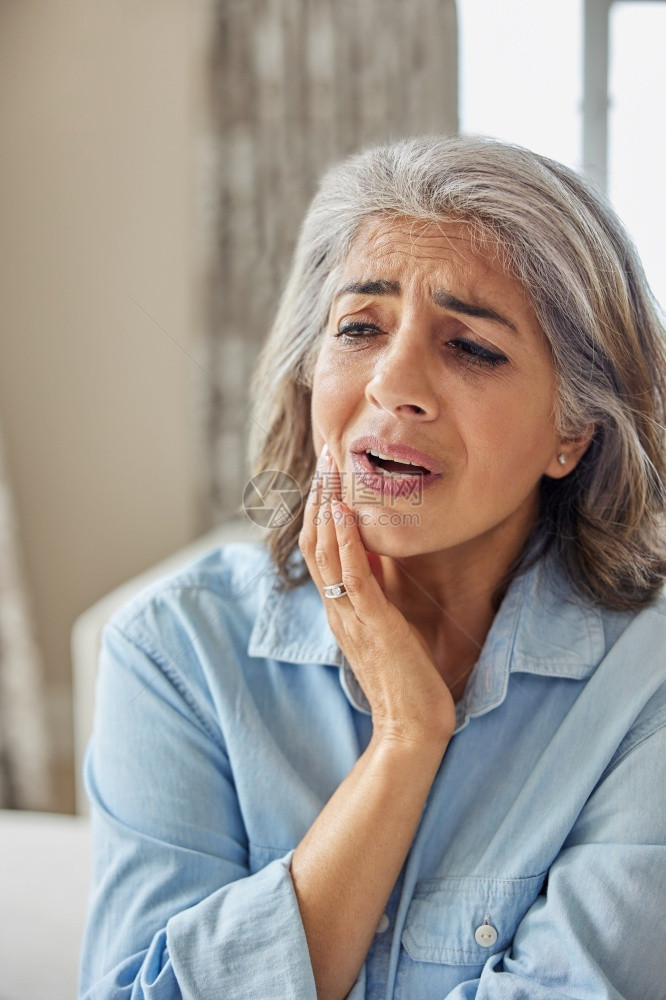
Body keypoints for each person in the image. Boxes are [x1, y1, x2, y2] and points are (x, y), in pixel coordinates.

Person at [79, 135, 666, 1000]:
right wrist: (406, 735)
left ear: (572, 432)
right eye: (360, 327)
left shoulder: (646, 682)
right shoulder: (175, 650)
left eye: (470, 347)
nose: (395, 385)